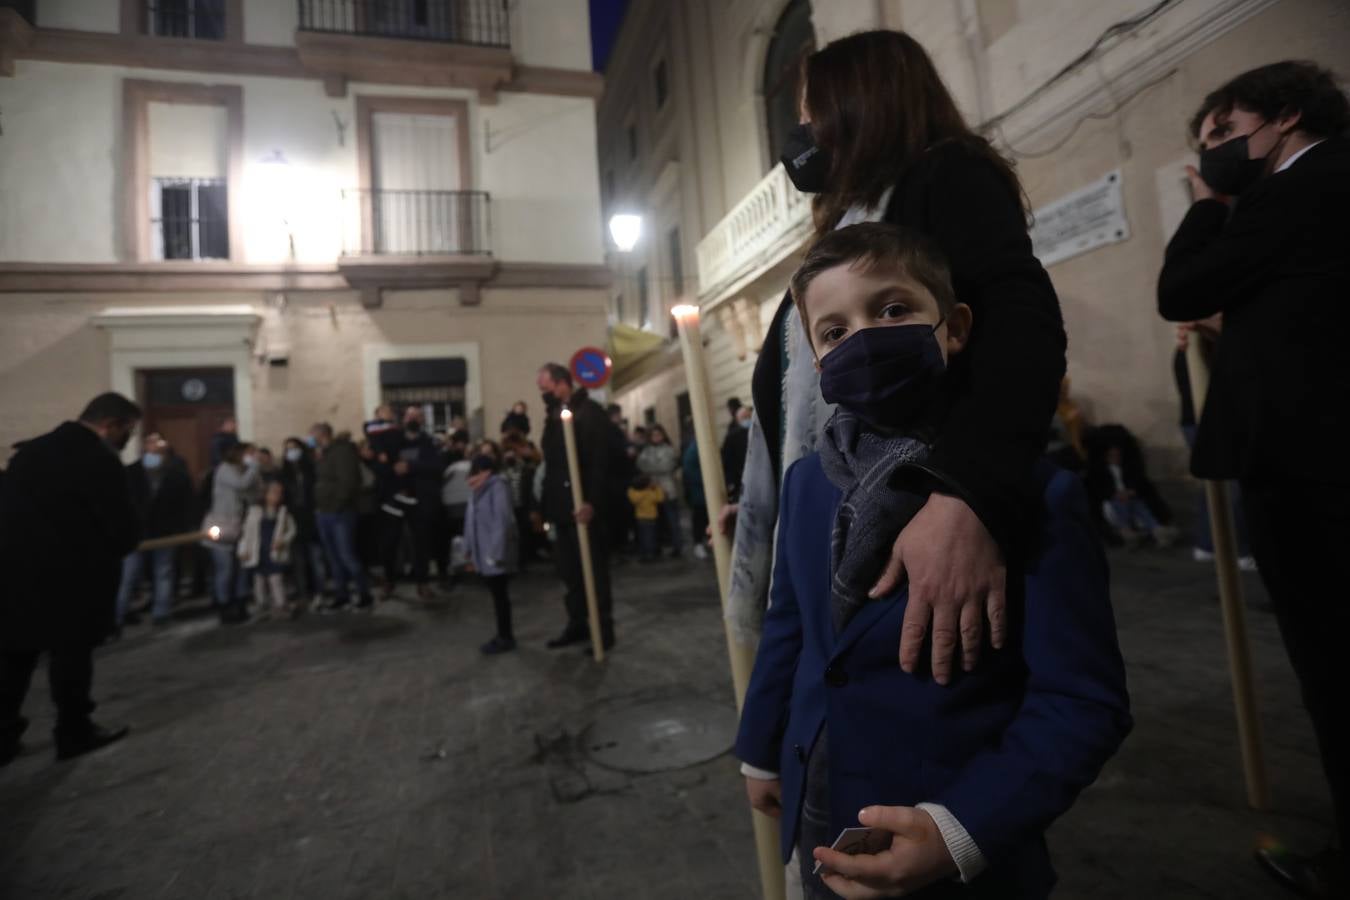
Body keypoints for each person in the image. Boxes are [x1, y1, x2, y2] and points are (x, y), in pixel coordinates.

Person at [737, 224, 1130, 897]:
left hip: (947, 838)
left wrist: (961, 830)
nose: (862, 338)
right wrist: (761, 748)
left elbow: (1081, 700)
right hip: (818, 804)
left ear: (953, 328)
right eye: (833, 332)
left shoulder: (1034, 494)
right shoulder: (806, 482)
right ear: (817, 359)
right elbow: (791, 624)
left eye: (892, 310)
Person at [728, 30, 1067, 688]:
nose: (801, 128)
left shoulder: (946, 176)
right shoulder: (846, 224)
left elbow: (1019, 328)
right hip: (830, 496)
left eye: (811, 109)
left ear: (859, 103)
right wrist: (762, 497)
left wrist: (965, 497)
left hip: (911, 512)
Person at [1157, 60, 1350, 896]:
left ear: (1287, 117)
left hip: (1311, 467)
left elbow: (1181, 287)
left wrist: (1205, 210)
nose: (1219, 153)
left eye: (1227, 134)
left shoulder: (1299, 187)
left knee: (1335, 665)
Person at [0, 393, 142, 765]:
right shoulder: (99, 460)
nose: (129, 438)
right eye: (128, 430)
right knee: (72, 658)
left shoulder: (30, 453)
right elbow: (121, 528)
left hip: (17, 574)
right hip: (74, 578)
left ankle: (3, 735)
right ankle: (74, 730)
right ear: (111, 424)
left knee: (16, 656)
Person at [537, 362, 616, 650]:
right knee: (570, 573)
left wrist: (591, 501)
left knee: (593, 571)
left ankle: (602, 629)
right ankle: (578, 623)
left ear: (561, 383)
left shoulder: (589, 413)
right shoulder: (553, 416)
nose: (543, 395)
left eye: (545, 389)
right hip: (561, 508)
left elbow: (599, 463)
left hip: (583, 506)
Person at [116, 433, 193, 629]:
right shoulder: (130, 473)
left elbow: (185, 504)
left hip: (164, 531)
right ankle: (118, 614)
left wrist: (182, 528)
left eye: (158, 446)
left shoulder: (176, 474)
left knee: (164, 571)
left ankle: (162, 612)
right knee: (128, 574)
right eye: (150, 444)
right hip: (135, 533)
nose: (154, 449)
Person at [312, 423, 374, 612]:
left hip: (340, 512)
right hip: (324, 511)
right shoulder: (325, 454)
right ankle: (342, 594)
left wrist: (337, 504)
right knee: (333, 557)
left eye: (313, 434)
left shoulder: (341, 452)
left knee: (347, 555)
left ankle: (364, 593)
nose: (311, 438)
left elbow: (347, 481)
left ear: (322, 434)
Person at [463, 455, 519, 655]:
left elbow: (502, 522)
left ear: (486, 472)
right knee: (497, 596)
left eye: (476, 473)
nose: (472, 477)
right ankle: (503, 635)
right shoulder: (477, 491)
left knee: (500, 597)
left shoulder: (497, 488)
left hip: (494, 554)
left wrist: (495, 554)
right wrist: (468, 549)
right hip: (483, 552)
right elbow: (470, 522)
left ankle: (506, 636)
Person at [202, 442, 260, 624]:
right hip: (223, 527)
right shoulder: (225, 470)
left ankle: (240, 604)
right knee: (225, 570)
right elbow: (241, 486)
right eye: (250, 453)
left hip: (241, 527)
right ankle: (224, 606)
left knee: (241, 568)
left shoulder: (245, 471)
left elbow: (252, 495)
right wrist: (254, 467)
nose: (253, 457)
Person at [280, 436, 327, 609]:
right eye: (288, 448)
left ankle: (319, 592)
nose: (291, 452)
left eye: (294, 448)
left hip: (311, 517)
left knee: (316, 558)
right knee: (298, 560)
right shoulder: (284, 473)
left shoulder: (311, 469)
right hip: (294, 519)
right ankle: (303, 593)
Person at [238, 480, 297, 618]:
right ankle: (261, 605)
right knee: (259, 580)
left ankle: (280, 604)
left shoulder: (282, 513)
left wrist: (282, 541)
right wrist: (243, 550)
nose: (276, 496)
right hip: (258, 552)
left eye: (279, 493)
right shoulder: (255, 512)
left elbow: (291, 530)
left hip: (273, 552)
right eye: (273, 492)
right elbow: (246, 533)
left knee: (276, 579)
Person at [636, 424, 682, 558]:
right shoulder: (647, 450)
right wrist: (655, 467)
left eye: (659, 434)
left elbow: (667, 466)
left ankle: (677, 546)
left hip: (668, 490)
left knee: (672, 519)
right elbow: (641, 465)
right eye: (654, 435)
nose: (656, 437)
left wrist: (652, 467)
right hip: (651, 491)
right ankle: (656, 547)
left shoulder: (669, 449)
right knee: (654, 521)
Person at [681, 428, 709, 561]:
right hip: (700, 493)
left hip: (701, 492)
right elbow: (690, 471)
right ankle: (698, 543)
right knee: (699, 518)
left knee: (703, 518)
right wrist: (707, 481)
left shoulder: (697, 447)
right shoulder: (695, 449)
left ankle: (702, 542)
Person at [626, 473, 664, 563]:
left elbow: (631, 495)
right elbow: (660, 499)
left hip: (640, 518)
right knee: (650, 537)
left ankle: (644, 553)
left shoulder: (633, 492)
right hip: (651, 518)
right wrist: (657, 488)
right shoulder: (649, 493)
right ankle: (650, 554)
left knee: (642, 537)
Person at [720, 404, 752, 502]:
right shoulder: (731, 437)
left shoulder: (757, 431)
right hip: (741, 480)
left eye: (748, 417)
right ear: (738, 421)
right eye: (744, 418)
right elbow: (727, 461)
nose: (746, 419)